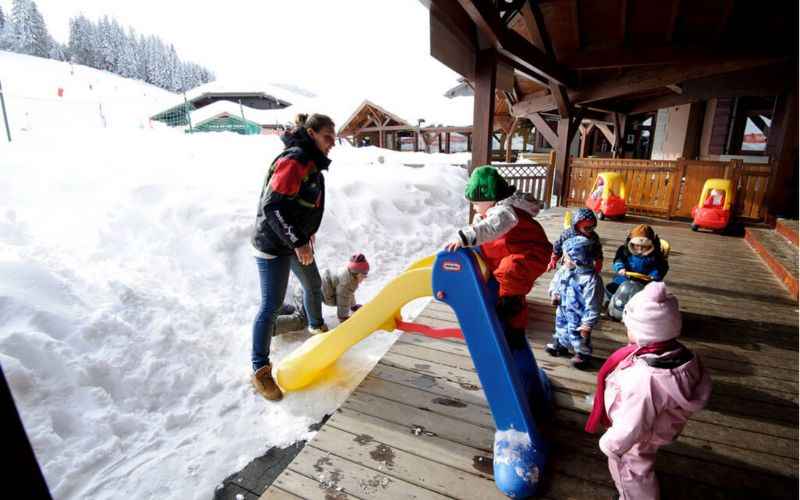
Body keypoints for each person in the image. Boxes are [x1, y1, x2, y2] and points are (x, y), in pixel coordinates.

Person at [585, 282, 711, 500]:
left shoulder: (645, 380)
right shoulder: (683, 357)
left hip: (637, 437)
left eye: (630, 326)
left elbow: (632, 424)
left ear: (648, 333)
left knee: (631, 472)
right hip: (658, 425)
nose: (627, 329)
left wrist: (611, 444)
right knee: (642, 461)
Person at [250, 113, 336, 401]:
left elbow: (301, 204)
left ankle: (316, 329)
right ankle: (260, 370)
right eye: (327, 137)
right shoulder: (295, 160)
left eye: (334, 138)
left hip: (295, 242)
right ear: (311, 133)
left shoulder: (311, 162)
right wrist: (298, 241)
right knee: (270, 305)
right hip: (273, 246)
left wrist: (304, 236)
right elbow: (273, 208)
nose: (332, 144)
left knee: (313, 285)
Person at [444, 166, 552, 344]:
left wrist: (465, 237)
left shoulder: (504, 212)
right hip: (515, 252)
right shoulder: (490, 211)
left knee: (509, 274)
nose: (474, 206)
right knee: (507, 280)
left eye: (476, 203)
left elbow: (491, 227)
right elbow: (484, 230)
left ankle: (512, 316)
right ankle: (513, 315)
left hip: (533, 254)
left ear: (491, 199)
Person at [546, 235, 604, 369]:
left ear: (578, 260)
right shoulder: (564, 271)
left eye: (566, 257)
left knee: (577, 334)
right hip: (563, 308)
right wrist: (554, 293)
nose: (563, 259)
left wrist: (587, 323)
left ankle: (582, 353)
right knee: (561, 327)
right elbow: (555, 282)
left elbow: (593, 303)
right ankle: (561, 343)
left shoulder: (591, 280)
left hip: (579, 315)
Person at [274, 254, 370, 334]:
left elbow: (348, 295)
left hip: (305, 288)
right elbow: (343, 299)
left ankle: (278, 309)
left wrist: (353, 306)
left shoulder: (348, 275)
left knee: (301, 312)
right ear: (358, 273)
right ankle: (271, 328)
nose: (365, 277)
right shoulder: (347, 281)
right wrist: (343, 318)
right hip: (306, 292)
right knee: (303, 319)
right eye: (364, 274)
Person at [607, 224, 669, 296]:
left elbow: (661, 267)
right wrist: (620, 268)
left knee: (651, 295)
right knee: (613, 289)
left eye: (644, 246)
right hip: (625, 277)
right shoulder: (625, 251)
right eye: (637, 245)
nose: (640, 248)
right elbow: (618, 259)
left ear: (650, 245)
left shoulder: (655, 255)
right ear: (632, 244)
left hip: (645, 281)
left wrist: (654, 275)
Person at [547, 207, 603, 273]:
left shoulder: (593, 236)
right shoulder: (568, 234)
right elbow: (558, 246)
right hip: (569, 261)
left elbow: (598, 250)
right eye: (587, 228)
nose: (590, 230)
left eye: (592, 227)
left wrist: (599, 262)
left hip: (586, 263)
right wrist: (553, 260)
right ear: (577, 226)